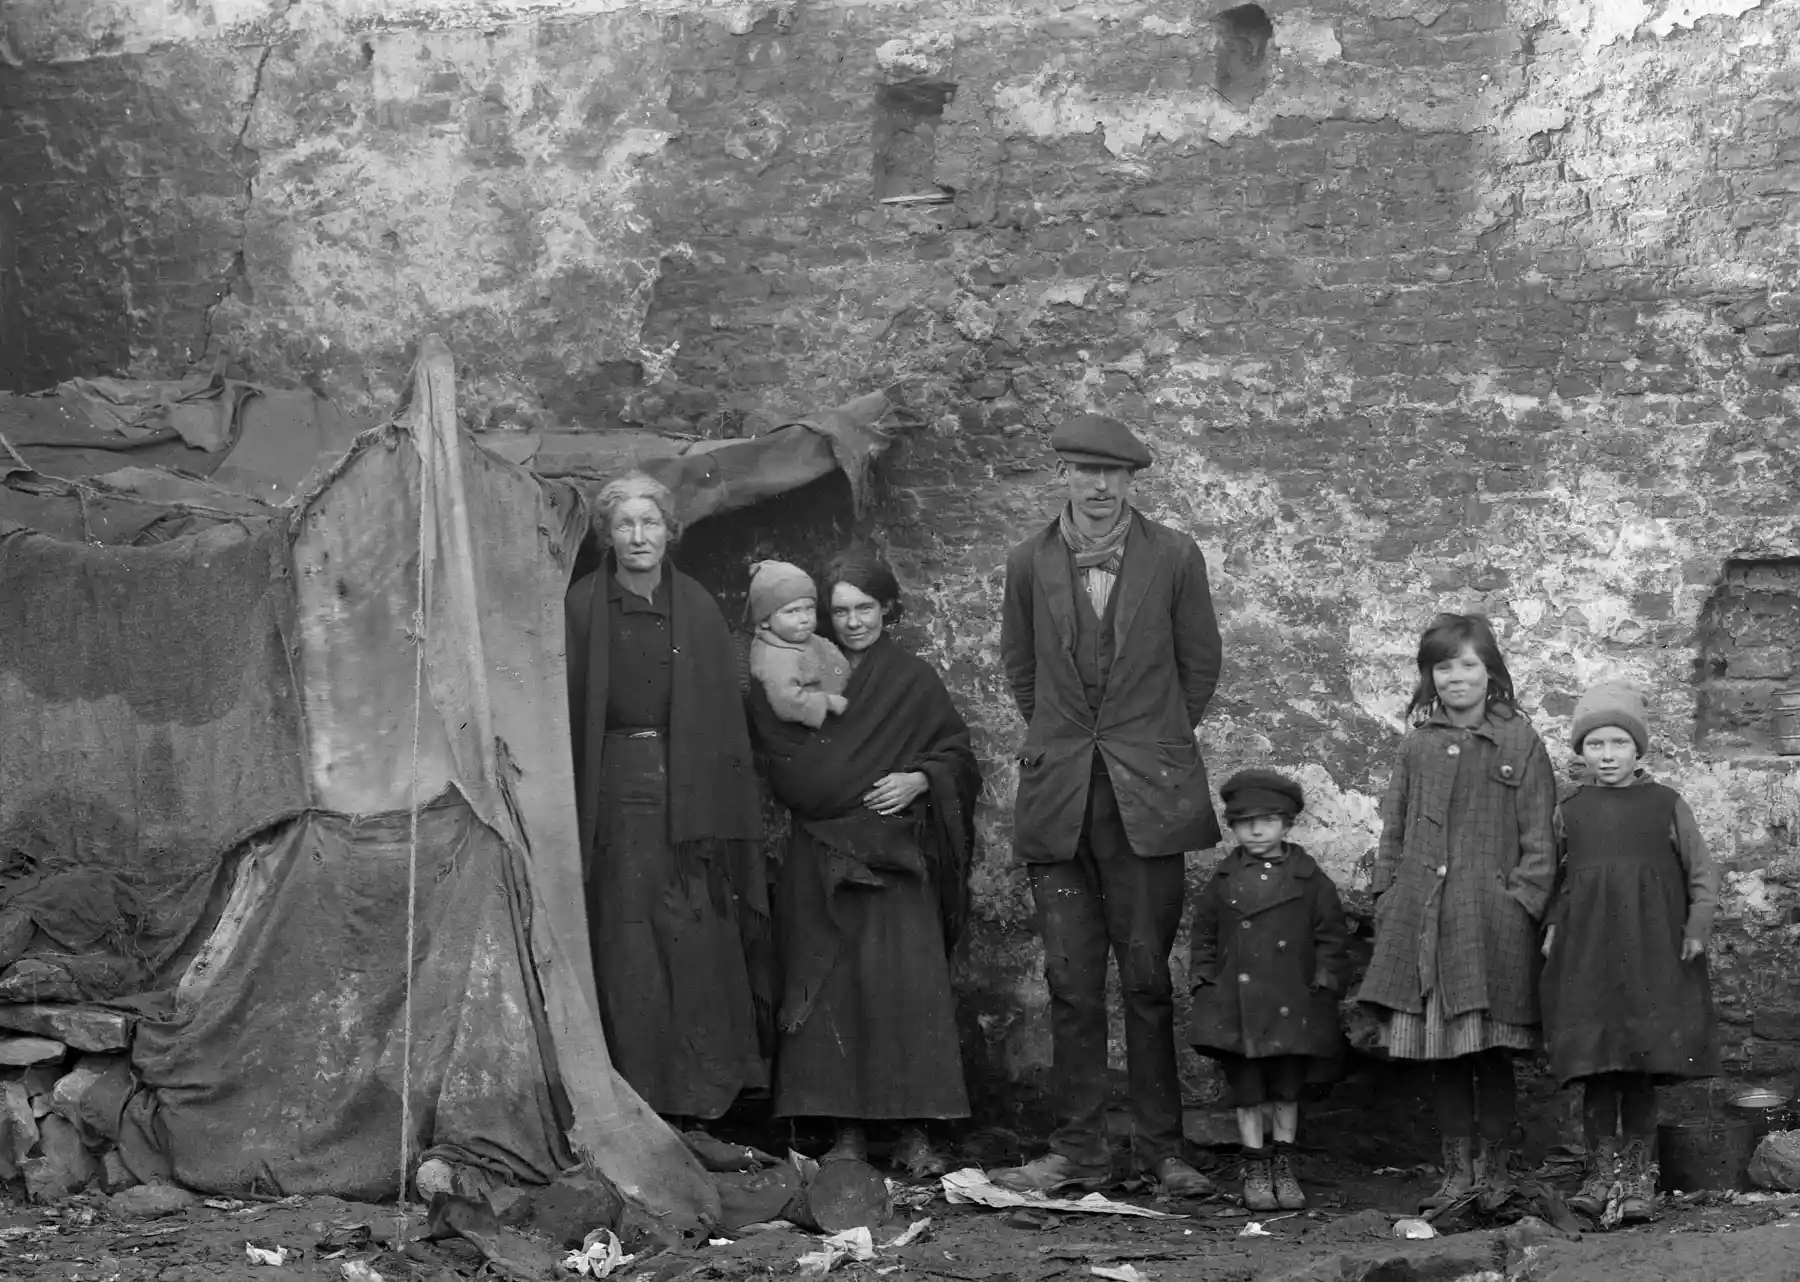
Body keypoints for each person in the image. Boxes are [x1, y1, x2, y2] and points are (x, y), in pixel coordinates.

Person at [994, 413, 1223, 1197]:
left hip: (1147, 801)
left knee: (1148, 977)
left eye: (1114, 476)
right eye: (1085, 473)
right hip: (1061, 799)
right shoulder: (1030, 562)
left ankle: (1162, 1150)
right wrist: (1069, 742)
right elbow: (1021, 672)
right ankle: (1079, 1151)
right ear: (1062, 475)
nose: (1098, 488)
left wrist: (1145, 745)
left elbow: (1199, 668)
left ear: (1131, 483)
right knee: (1070, 980)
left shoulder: (1174, 558)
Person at [747, 550, 981, 1178]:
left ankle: (913, 1132)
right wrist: (831, 787)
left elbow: (956, 753)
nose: (852, 623)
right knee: (832, 993)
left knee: (905, 989)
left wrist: (919, 780)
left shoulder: (911, 678)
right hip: (822, 852)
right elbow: (785, 758)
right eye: (840, 611)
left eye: (865, 609)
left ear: (888, 611)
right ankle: (845, 1133)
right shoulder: (796, 669)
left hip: (892, 856)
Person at [564, 472, 768, 1124]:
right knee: (628, 947)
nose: (638, 536)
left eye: (649, 522)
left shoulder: (699, 609)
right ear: (607, 535)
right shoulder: (581, 609)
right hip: (616, 796)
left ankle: (697, 1104)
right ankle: (636, 1102)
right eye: (624, 524)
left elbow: (722, 720)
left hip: (690, 802)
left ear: (668, 530)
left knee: (693, 942)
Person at [1356, 613, 1557, 1211]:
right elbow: (1394, 828)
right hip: (1426, 923)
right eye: (1443, 666)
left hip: (1492, 923)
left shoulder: (1520, 741)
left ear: (1490, 671)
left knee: (1490, 1052)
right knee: (1440, 1053)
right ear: (1429, 675)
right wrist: (1389, 896)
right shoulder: (1417, 744)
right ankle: (1456, 1177)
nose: (1456, 677)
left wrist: (1519, 901)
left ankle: (1495, 1176)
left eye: (1468, 664)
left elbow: (1541, 837)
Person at [1540, 680, 1719, 1226]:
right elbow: (1556, 879)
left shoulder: (1667, 804)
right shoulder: (1569, 810)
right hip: (1589, 953)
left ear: (1638, 749)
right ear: (1582, 753)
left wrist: (1697, 927)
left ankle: (1640, 1180)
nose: (1608, 755)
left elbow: (1702, 871)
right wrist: (1550, 927)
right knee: (1598, 1066)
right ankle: (1598, 1177)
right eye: (1596, 745)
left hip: (1652, 951)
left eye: (1619, 743)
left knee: (1641, 1064)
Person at [1188, 769, 1348, 1213]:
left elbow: (1332, 938)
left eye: (1269, 820)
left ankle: (1284, 1164)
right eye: (1244, 822)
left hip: (1292, 1005)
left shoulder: (1309, 880)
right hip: (1238, 1007)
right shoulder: (1222, 882)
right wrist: (1204, 981)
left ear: (1288, 823)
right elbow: (1204, 936)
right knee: (1248, 1092)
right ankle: (1255, 1166)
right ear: (1233, 827)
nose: (1256, 830)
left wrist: (1325, 985)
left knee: (1285, 1091)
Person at [747, 560, 850, 728]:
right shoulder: (774, 658)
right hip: (812, 734)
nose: (804, 618)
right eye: (792, 611)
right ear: (765, 620)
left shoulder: (800, 636)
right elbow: (787, 702)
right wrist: (827, 703)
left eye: (809, 608)